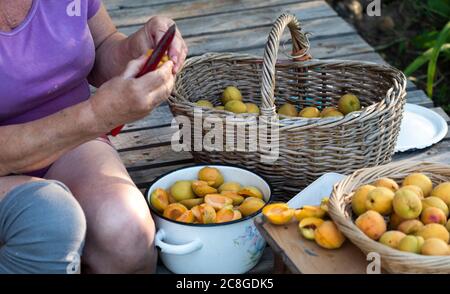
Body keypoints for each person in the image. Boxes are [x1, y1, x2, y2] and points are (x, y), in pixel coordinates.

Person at [0, 0, 187, 273]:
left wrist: (139, 48)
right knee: (50, 219)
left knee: (128, 236)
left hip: (72, 142)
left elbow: (101, 45)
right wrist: (97, 114)